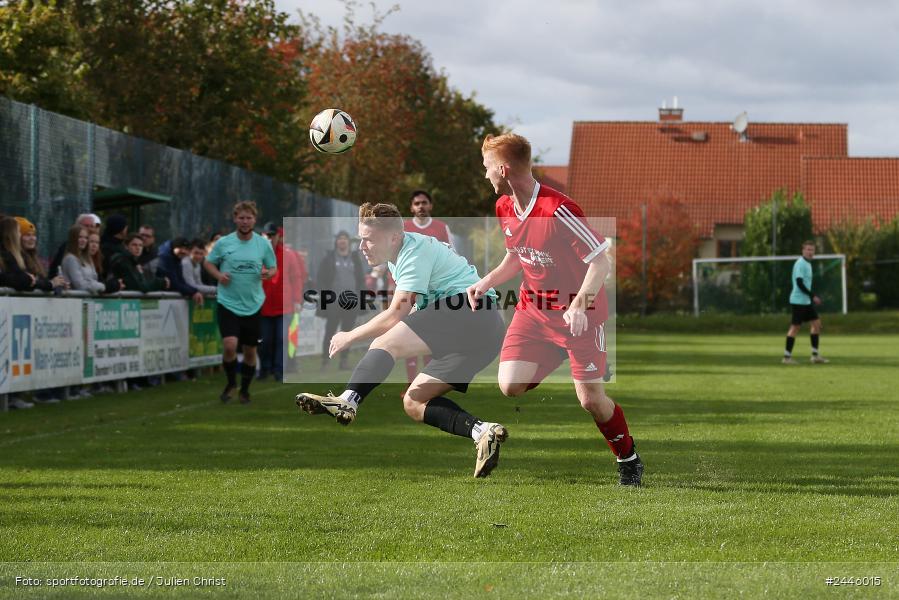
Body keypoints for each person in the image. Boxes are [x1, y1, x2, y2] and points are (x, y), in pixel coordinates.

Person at [467, 133, 644, 486]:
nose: (484, 174)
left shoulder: (558, 209)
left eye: (487, 167)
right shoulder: (504, 207)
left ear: (502, 169)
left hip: (578, 317)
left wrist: (579, 304)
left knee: (591, 400)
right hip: (533, 311)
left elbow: (600, 261)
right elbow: (517, 255)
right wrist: (485, 282)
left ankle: (629, 458)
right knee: (509, 385)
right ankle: (558, 353)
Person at [296, 203, 508, 478]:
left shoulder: (412, 252)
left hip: (467, 311)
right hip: (485, 332)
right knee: (415, 401)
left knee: (385, 343)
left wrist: (350, 335)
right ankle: (483, 432)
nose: (363, 246)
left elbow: (395, 314)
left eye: (369, 239)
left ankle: (348, 400)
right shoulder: (402, 256)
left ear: (394, 237)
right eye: (361, 238)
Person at [204, 201, 277, 404]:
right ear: (235, 219)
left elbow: (273, 268)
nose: (245, 222)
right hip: (228, 302)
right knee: (229, 345)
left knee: (250, 351)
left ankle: (244, 389)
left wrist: (266, 273)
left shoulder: (263, 244)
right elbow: (208, 262)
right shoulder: (224, 243)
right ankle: (230, 383)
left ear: (254, 220)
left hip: (253, 304)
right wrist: (219, 275)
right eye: (241, 218)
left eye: (249, 218)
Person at [401, 190, 456, 390]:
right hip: (409, 290)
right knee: (408, 334)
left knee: (430, 336)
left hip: (434, 292)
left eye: (424, 202)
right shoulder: (404, 229)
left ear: (430, 206)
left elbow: (452, 255)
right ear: (411, 207)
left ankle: (427, 382)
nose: (421, 206)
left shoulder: (441, 228)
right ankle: (410, 383)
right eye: (416, 203)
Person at [259, 222, 306, 381]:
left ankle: (279, 370)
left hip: (284, 306)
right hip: (263, 305)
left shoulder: (288, 254)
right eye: (267, 235)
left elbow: (296, 278)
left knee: (282, 339)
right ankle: (265, 368)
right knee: (265, 340)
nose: (270, 238)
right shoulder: (257, 254)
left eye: (272, 235)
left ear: (278, 236)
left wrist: (297, 301)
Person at [315, 230, 367, 370]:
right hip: (333, 303)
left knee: (347, 333)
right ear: (336, 241)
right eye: (340, 239)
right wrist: (325, 297)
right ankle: (325, 361)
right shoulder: (329, 258)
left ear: (348, 242)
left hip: (351, 303)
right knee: (330, 332)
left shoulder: (355, 258)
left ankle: (343, 361)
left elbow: (361, 281)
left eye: (345, 239)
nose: (342, 241)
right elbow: (320, 280)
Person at [783, 241, 829, 365]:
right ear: (803, 251)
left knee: (816, 324)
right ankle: (786, 357)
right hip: (798, 301)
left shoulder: (808, 264)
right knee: (795, 327)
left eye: (812, 250)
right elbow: (799, 283)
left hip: (806, 301)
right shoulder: (800, 263)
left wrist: (810, 298)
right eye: (808, 250)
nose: (810, 252)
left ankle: (815, 356)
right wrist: (813, 296)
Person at [17, 217, 67, 293]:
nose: (32, 238)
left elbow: (41, 281)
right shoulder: (17, 258)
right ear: (18, 237)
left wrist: (57, 283)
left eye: (33, 235)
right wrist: (51, 283)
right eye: (27, 235)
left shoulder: (35, 259)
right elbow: (31, 283)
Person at [156, 236, 204, 306]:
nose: (183, 251)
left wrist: (194, 291)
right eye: (181, 248)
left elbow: (181, 280)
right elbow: (173, 283)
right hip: (159, 299)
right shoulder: (165, 257)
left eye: (186, 249)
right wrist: (193, 292)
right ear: (174, 247)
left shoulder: (176, 258)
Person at [61, 224, 106, 294]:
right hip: (75, 300)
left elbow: (94, 279)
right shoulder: (70, 258)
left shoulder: (87, 258)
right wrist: (103, 286)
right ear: (73, 239)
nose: (83, 240)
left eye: (86, 238)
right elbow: (80, 285)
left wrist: (96, 285)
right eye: (80, 237)